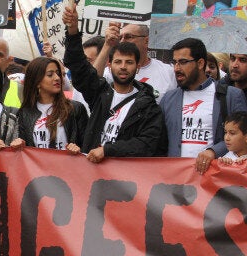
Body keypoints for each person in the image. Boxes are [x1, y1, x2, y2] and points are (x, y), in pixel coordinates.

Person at [63, 5, 168, 163]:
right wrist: (72, 29)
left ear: (138, 67)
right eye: (118, 62)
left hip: (124, 179)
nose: (123, 67)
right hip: (92, 173)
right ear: (109, 65)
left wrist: (107, 150)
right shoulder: (99, 93)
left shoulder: (148, 105)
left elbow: (146, 144)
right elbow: (77, 65)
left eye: (129, 62)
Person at [159, 37, 247, 174]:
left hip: (215, 178)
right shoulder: (169, 99)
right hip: (176, 179)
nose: (177, 68)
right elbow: (160, 142)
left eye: (183, 62)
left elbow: (243, 137)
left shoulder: (231, 96)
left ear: (200, 63)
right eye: (174, 62)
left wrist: (213, 151)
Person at [16, 57, 88, 153]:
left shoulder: (75, 108)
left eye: (58, 73)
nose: (57, 78)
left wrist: (78, 150)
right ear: (37, 82)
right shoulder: (24, 113)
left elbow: (88, 145)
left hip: (69, 166)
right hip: (37, 167)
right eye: (50, 75)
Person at [94, 22, 177, 101]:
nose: (122, 41)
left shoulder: (168, 72)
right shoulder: (112, 71)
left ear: (146, 41)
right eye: (120, 38)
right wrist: (107, 44)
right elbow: (92, 82)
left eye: (128, 37)